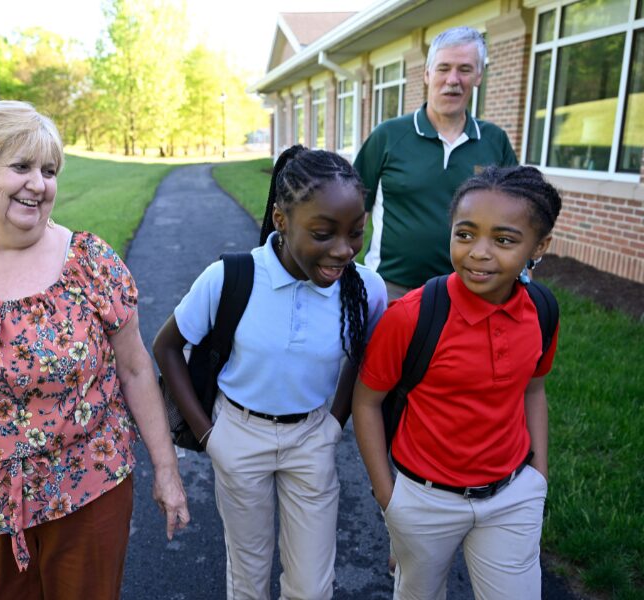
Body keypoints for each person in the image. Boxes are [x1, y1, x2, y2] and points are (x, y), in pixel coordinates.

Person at [0, 100, 189, 599]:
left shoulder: (89, 263)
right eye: (20, 167)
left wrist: (167, 470)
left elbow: (133, 368)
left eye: (48, 170)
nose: (39, 184)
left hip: (88, 492)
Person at [153, 146, 387, 599]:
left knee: (312, 587)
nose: (343, 250)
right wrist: (208, 437)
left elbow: (364, 358)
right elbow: (166, 347)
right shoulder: (229, 277)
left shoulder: (365, 289)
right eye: (323, 233)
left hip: (311, 439)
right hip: (238, 436)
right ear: (281, 219)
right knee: (249, 576)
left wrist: (334, 423)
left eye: (356, 233)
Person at [352, 165, 562, 599]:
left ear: (539, 246)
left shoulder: (541, 310)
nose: (479, 253)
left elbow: (533, 389)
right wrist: (389, 499)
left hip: (512, 495)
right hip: (423, 502)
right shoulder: (412, 316)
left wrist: (538, 477)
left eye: (503, 240)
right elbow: (367, 403)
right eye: (465, 234)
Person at [354, 26, 518, 300]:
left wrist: (522, 276)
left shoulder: (494, 141)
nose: (453, 79)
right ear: (428, 74)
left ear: (478, 76)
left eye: (464, 69)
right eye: (443, 68)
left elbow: (516, 216)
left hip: (468, 291)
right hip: (390, 288)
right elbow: (355, 210)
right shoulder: (388, 136)